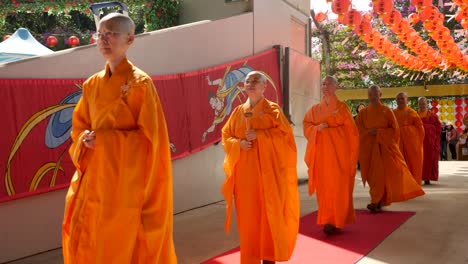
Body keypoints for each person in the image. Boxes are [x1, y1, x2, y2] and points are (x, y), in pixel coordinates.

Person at [62, 13, 177, 263]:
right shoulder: (91, 85)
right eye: (100, 34)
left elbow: (151, 141)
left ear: (130, 39)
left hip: (125, 184)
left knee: (123, 245)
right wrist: (84, 139)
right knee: (90, 242)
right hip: (95, 178)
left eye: (112, 33)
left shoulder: (140, 84)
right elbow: (78, 128)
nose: (104, 39)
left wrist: (105, 140)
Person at [221, 71, 299, 264]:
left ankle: (269, 257)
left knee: (269, 214)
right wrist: (238, 144)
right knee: (249, 220)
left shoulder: (273, 110)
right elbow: (226, 136)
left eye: (256, 81)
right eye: (248, 81)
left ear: (264, 87)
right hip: (246, 178)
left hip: (270, 175)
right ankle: (250, 258)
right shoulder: (239, 111)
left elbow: (286, 139)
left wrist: (261, 136)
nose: (251, 84)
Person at [355, 85, 424, 213]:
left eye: (375, 94)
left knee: (382, 175)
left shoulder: (387, 111)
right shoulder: (363, 113)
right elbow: (357, 129)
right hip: (369, 148)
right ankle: (377, 198)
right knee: (372, 175)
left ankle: (376, 200)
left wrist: (380, 132)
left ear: (380, 95)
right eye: (370, 94)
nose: (373, 97)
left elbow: (394, 130)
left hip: (384, 148)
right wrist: (368, 133)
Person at [303, 76, 359, 235]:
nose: (325, 86)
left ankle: (338, 220)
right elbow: (307, 124)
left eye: (328, 84)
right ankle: (328, 219)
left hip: (338, 155)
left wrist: (329, 131)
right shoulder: (315, 110)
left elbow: (352, 133)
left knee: (338, 187)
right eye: (323, 83)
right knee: (324, 189)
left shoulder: (342, 109)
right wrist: (316, 129)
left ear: (336, 87)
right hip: (321, 156)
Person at [393, 92, 425, 185]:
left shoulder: (412, 112)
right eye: (398, 99)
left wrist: (418, 142)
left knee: (413, 163)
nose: (400, 100)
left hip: (412, 143)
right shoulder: (392, 113)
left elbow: (420, 128)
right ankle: (400, 184)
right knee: (398, 163)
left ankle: (413, 183)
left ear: (407, 100)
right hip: (397, 142)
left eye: (402, 98)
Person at [418, 97, 442, 184]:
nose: (422, 105)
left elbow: (438, 128)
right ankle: (418, 177)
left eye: (423, 104)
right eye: (420, 104)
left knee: (429, 158)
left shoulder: (432, 115)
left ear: (426, 104)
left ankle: (427, 178)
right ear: (418, 104)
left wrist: (425, 127)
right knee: (419, 159)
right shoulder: (415, 115)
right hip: (418, 141)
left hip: (430, 142)